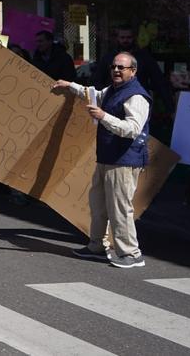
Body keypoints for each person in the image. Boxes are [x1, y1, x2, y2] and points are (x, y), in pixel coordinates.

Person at [54, 51, 152, 269]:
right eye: (114, 67)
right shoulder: (113, 90)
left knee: (120, 207)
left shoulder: (136, 96)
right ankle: (97, 245)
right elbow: (95, 95)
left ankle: (131, 253)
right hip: (107, 156)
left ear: (133, 71)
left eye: (121, 68)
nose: (116, 70)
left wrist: (103, 116)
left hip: (125, 159)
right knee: (98, 204)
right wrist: (70, 85)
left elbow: (132, 129)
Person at [92, 26, 171, 107]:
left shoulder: (144, 58)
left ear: (134, 38)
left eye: (128, 37)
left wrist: (169, 105)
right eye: (122, 37)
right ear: (117, 38)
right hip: (114, 101)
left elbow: (158, 80)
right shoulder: (108, 58)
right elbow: (98, 81)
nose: (125, 40)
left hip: (138, 100)